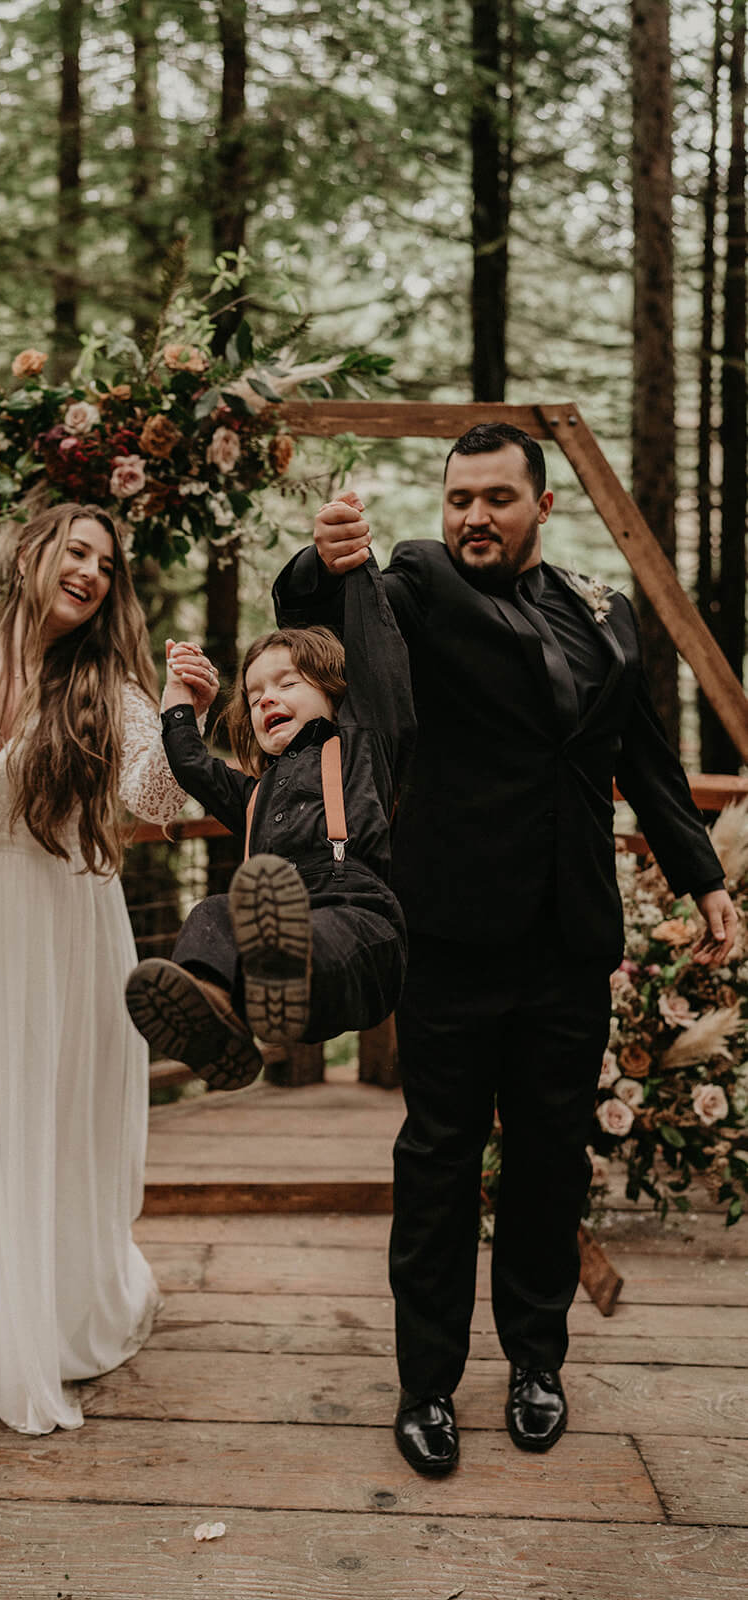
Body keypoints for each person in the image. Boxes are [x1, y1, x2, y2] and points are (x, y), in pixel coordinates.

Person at [273, 422, 738, 1476]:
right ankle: (424, 1382)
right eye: (456, 499)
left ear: (540, 505)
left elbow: (643, 759)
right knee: (436, 1160)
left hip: (570, 937)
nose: (470, 516)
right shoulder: (419, 585)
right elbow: (319, 622)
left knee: (545, 1160)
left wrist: (703, 877)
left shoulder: (604, 614)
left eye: (494, 498)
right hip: (448, 930)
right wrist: (321, 559)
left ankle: (536, 1361)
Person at [0, 502, 209, 1434]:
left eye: (107, 565)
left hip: (64, 918)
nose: (90, 572)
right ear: (31, 553)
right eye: (76, 552)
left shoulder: (106, 688)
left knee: (58, 1114)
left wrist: (182, 709)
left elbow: (153, 795)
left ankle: (66, 1313)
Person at [124, 554, 415, 1092]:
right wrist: (178, 701)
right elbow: (192, 766)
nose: (266, 699)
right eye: (256, 696)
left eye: (286, 683)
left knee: (309, 926)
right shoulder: (255, 795)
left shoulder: (363, 744)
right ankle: (218, 1011)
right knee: (215, 912)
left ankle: (288, 965)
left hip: (360, 925)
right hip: (280, 919)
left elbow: (381, 664)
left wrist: (356, 567)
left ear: (334, 690)